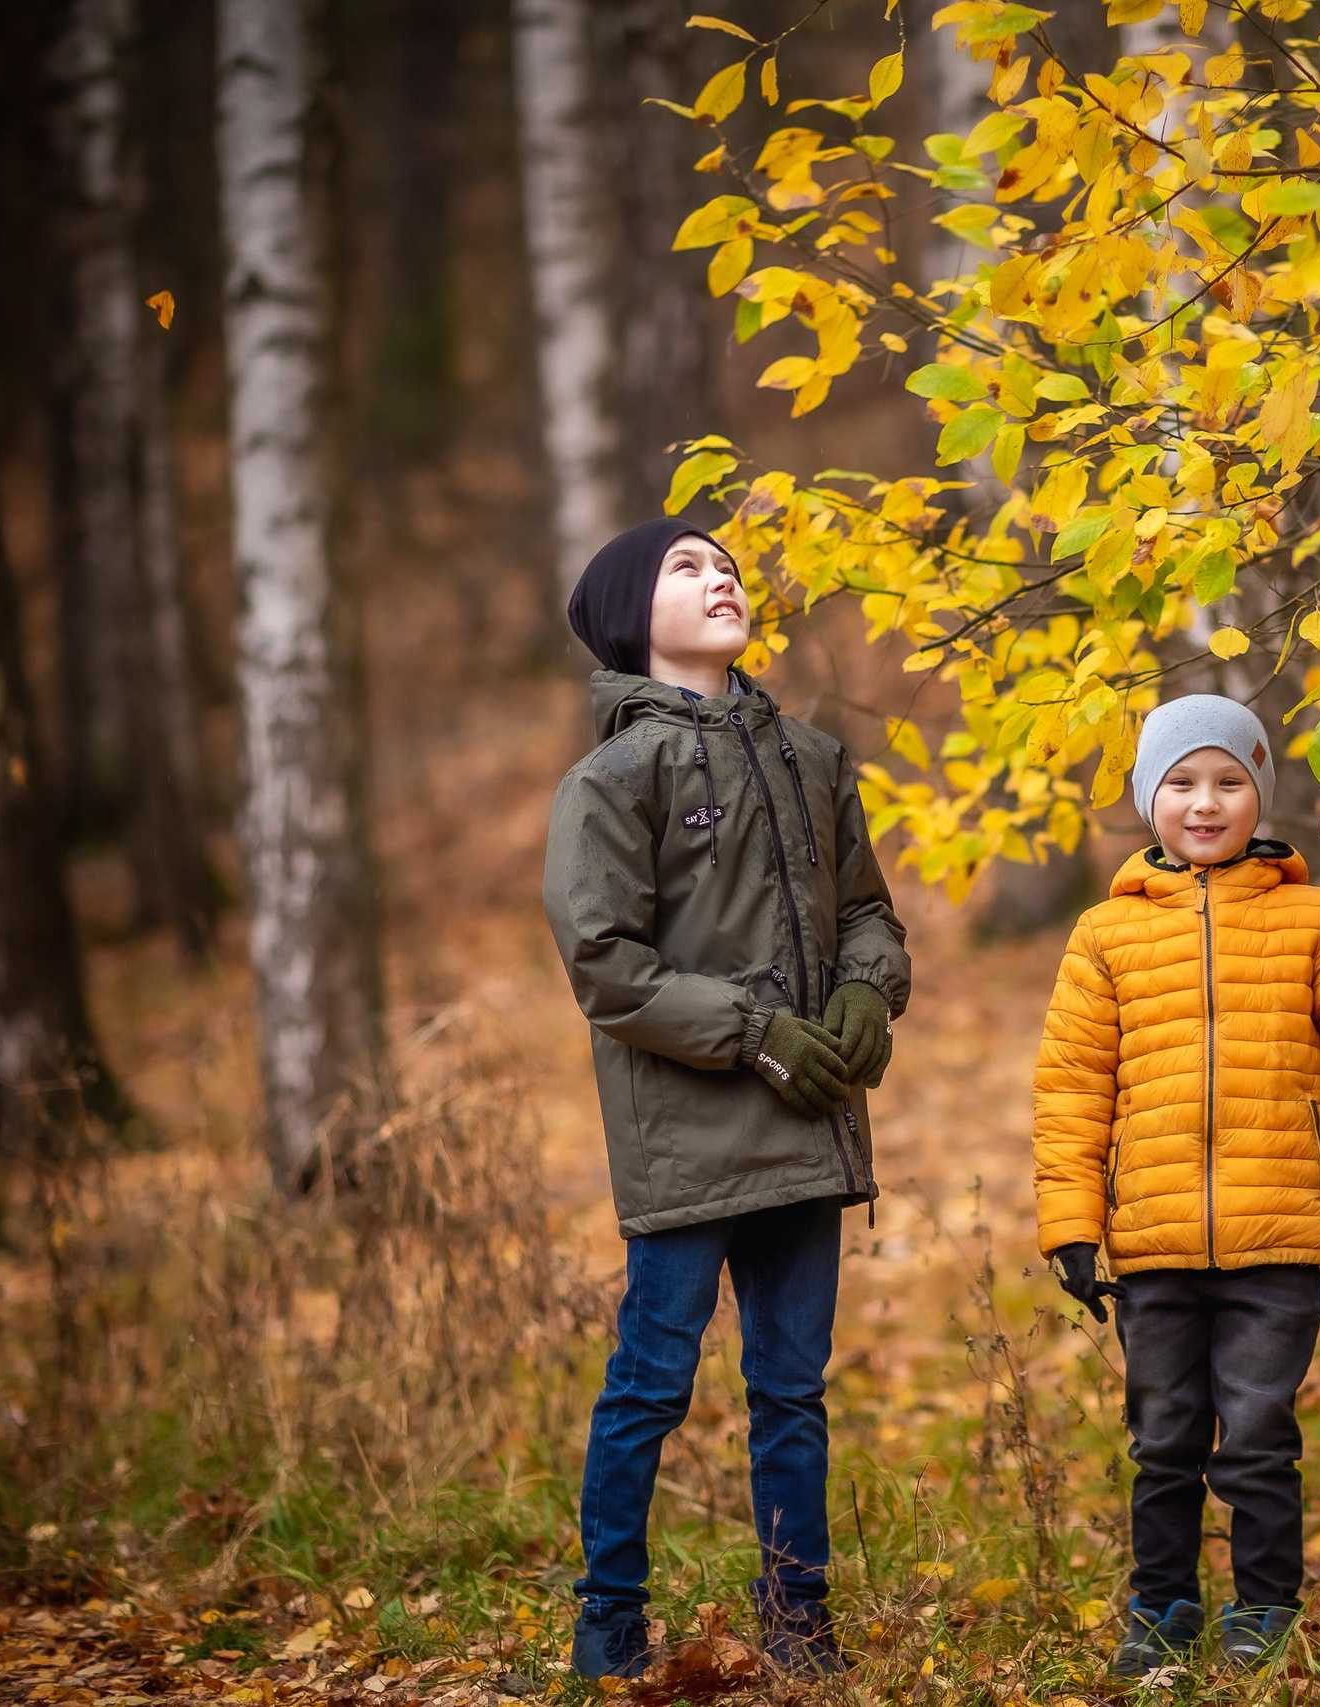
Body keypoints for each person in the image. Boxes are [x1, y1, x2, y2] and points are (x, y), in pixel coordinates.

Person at [542, 518, 909, 1681]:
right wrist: (752, 1031)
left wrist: (865, 993)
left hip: (806, 1122)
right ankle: (609, 1628)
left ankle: (801, 1630)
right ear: (623, 616)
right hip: (688, 1137)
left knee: (792, 1394)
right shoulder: (612, 777)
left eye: (729, 566)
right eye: (686, 567)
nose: (721, 578)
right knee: (650, 1386)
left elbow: (869, 913)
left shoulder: (811, 756)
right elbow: (605, 963)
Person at [1030, 694, 1320, 1677]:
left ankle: (1264, 1609)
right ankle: (1162, 1606)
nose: (1205, 803)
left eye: (1228, 781)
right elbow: (1072, 1088)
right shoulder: (1105, 937)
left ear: (1259, 794)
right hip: (1154, 1240)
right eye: (1180, 783)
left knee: (1257, 1433)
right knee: (1164, 1437)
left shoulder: (1314, 918)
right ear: (1148, 800)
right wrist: (1070, 1224)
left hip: (1278, 1236)